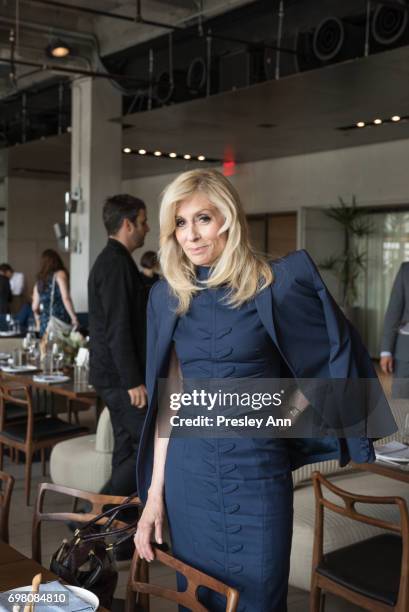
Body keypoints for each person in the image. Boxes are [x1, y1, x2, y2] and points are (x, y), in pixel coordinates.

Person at [133, 169, 394, 611]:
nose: (191, 235)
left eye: (203, 219)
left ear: (229, 220)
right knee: (195, 601)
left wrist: (277, 419)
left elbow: (335, 350)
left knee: (260, 598)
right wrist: (153, 495)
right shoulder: (166, 297)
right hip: (188, 476)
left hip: (256, 474)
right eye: (180, 223)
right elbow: (170, 403)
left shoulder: (278, 283)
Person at [88, 194, 150, 498]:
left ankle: (116, 531)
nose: (147, 228)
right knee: (148, 445)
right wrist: (133, 381)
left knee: (126, 446)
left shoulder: (118, 261)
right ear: (128, 224)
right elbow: (118, 329)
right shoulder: (115, 264)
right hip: (119, 377)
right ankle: (91, 520)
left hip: (111, 374)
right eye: (143, 221)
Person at [32, 250, 78, 337]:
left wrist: (38, 321)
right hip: (60, 320)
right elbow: (66, 298)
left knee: (45, 349)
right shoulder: (60, 274)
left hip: (45, 323)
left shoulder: (39, 281)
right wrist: (74, 318)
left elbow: (34, 307)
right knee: (62, 348)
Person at [380, 261, 409, 396]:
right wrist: (386, 351)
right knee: (401, 404)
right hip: (405, 354)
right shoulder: (406, 270)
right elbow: (394, 311)